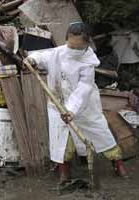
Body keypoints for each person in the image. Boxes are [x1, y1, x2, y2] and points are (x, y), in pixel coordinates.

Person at [23, 22, 128, 183]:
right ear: (67, 41)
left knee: (101, 135)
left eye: (78, 48)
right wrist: (32, 59)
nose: (73, 51)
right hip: (57, 104)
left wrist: (71, 110)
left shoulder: (88, 63)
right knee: (61, 140)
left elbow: (83, 88)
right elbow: (41, 56)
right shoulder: (58, 53)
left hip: (84, 107)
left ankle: (118, 164)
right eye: (71, 46)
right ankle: (64, 174)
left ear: (87, 44)